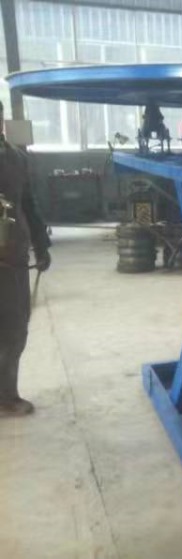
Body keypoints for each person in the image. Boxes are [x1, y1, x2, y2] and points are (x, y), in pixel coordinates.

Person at [0, 100, 51, 417]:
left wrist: (41, 246)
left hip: (13, 259)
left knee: (15, 329)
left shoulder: (16, 159)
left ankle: (7, 395)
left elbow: (29, 205)